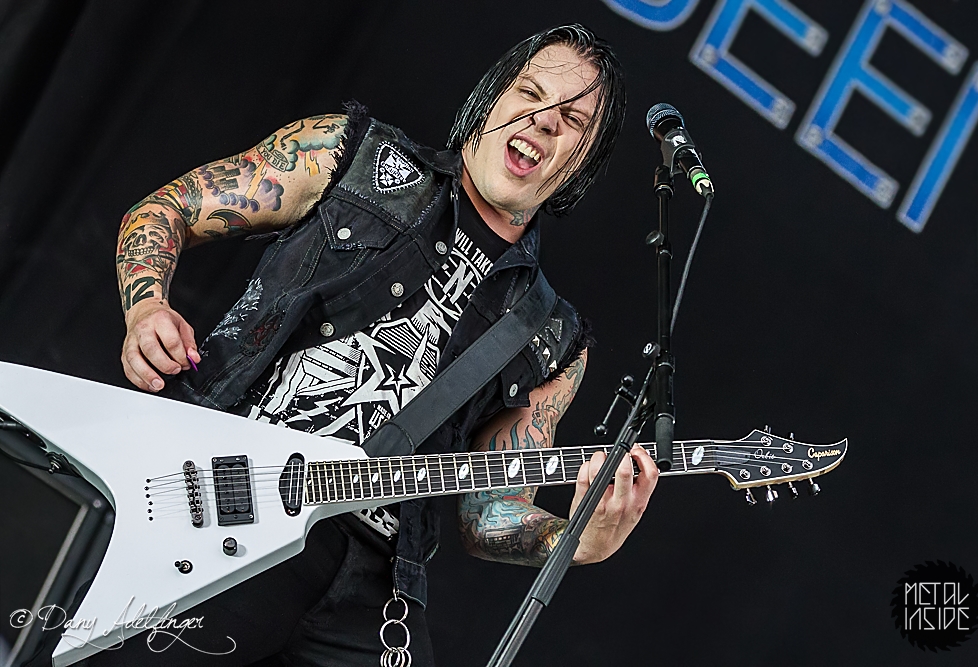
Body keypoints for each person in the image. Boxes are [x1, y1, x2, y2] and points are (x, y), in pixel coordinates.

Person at [111, 24, 658, 667]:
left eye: (573, 120)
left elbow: (490, 515)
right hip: (229, 497)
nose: (543, 121)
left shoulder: (552, 336)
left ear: (583, 162)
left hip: (374, 581)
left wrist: (580, 541)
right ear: (490, 97)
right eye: (530, 94)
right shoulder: (351, 157)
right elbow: (167, 210)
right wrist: (146, 307)